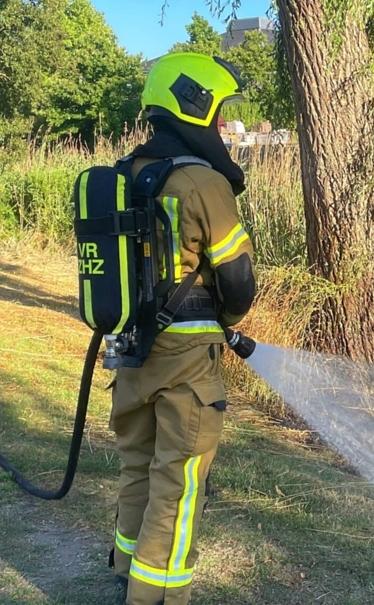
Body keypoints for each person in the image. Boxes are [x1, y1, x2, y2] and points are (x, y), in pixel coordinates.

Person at [110, 52, 256, 605]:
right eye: (219, 114)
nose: (222, 127)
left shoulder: (126, 175)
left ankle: (125, 569)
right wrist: (229, 322)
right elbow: (238, 282)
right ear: (194, 106)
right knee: (179, 480)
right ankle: (157, 597)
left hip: (130, 349)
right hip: (187, 359)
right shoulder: (201, 182)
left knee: (137, 467)